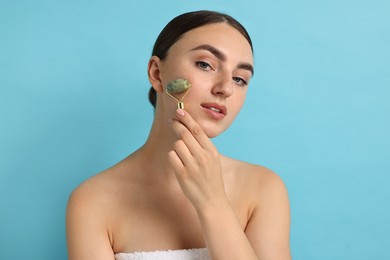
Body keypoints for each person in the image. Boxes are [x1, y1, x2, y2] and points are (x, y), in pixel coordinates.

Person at [66, 10, 291, 260]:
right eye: (205, 64)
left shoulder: (263, 189)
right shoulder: (93, 201)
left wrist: (213, 203)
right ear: (157, 73)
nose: (225, 88)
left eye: (240, 79)